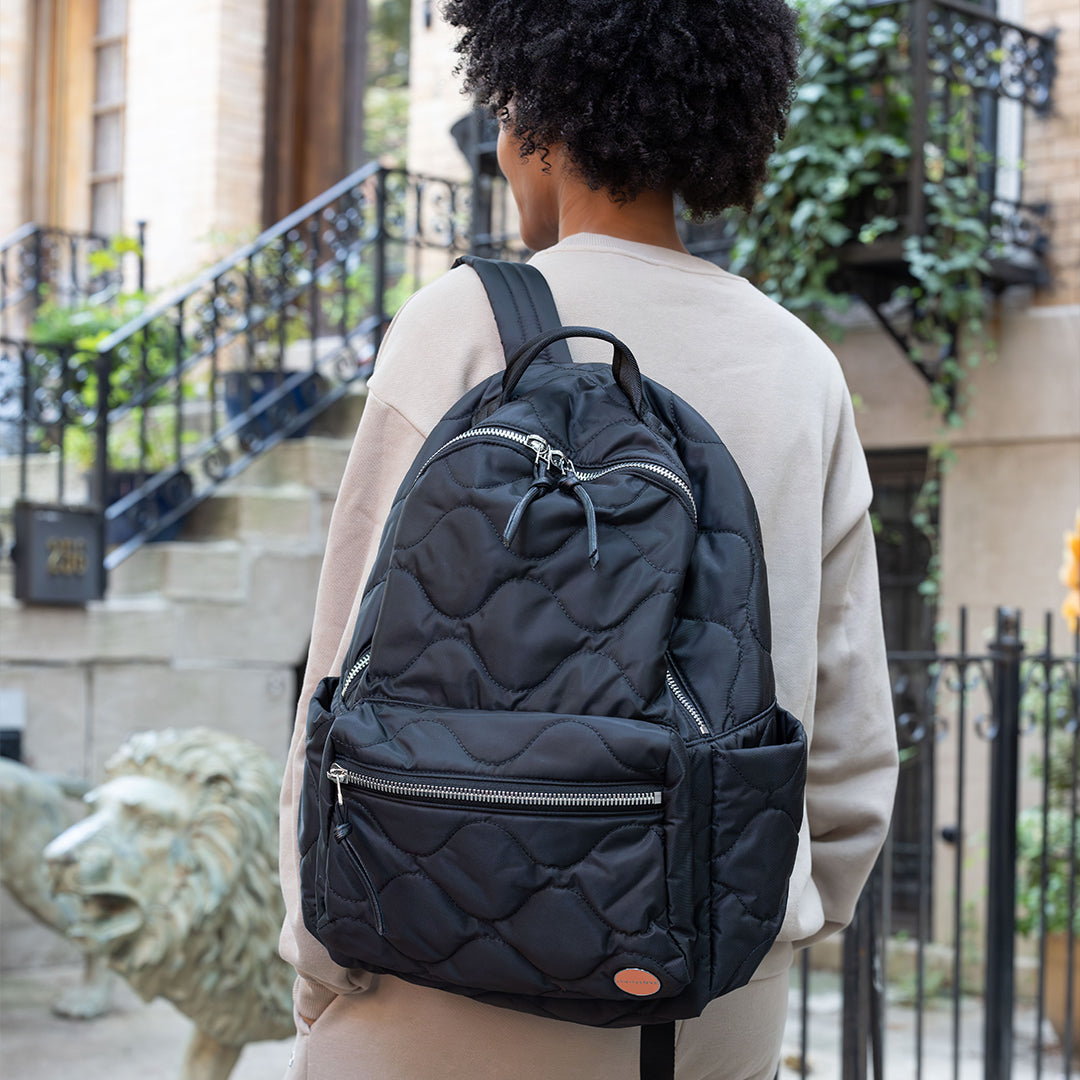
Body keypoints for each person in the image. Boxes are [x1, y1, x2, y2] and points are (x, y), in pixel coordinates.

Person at [277, 1, 900, 1077]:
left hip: (428, 983)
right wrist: (754, 943)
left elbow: (341, 674)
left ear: (539, 120)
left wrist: (319, 970)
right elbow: (844, 754)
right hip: (698, 1012)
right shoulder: (802, 368)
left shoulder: (456, 325)